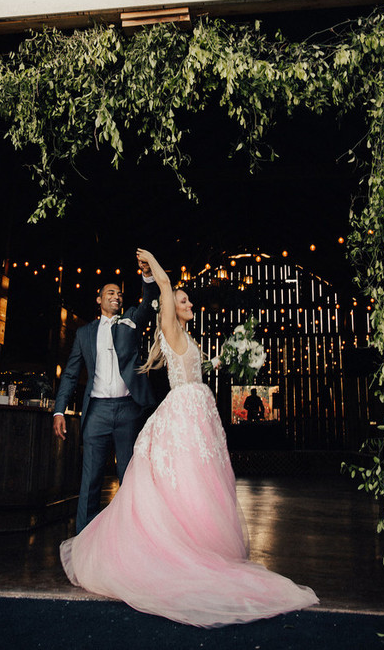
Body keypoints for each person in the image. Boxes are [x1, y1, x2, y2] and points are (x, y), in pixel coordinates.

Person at [59, 249, 318, 628]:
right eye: (183, 300)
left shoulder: (185, 335)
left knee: (198, 487)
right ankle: (138, 551)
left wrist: (225, 356)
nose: (188, 302)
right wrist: (154, 265)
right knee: (157, 484)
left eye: (186, 300)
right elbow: (163, 288)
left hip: (198, 413)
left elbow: (193, 365)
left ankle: (199, 547)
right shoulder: (169, 325)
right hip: (178, 413)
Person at [53, 256, 158, 533]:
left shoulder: (131, 320)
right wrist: (59, 409)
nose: (117, 296)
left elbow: (149, 304)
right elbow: (71, 374)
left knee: (129, 477)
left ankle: (132, 537)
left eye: (119, 293)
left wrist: (147, 275)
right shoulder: (84, 333)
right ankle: (84, 542)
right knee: (90, 480)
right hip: (97, 411)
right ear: (99, 299)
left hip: (127, 410)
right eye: (110, 292)